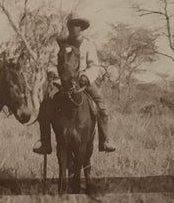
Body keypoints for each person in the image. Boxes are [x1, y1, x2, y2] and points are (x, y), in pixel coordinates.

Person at [33, 15, 116, 155]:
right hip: (62, 82)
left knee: (101, 106)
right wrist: (54, 74)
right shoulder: (61, 44)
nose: (74, 28)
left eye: (77, 25)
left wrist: (86, 77)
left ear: (81, 28)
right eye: (71, 25)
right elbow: (53, 63)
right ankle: (45, 143)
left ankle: (105, 140)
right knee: (45, 105)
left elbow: (95, 65)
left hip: (83, 82)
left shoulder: (89, 45)